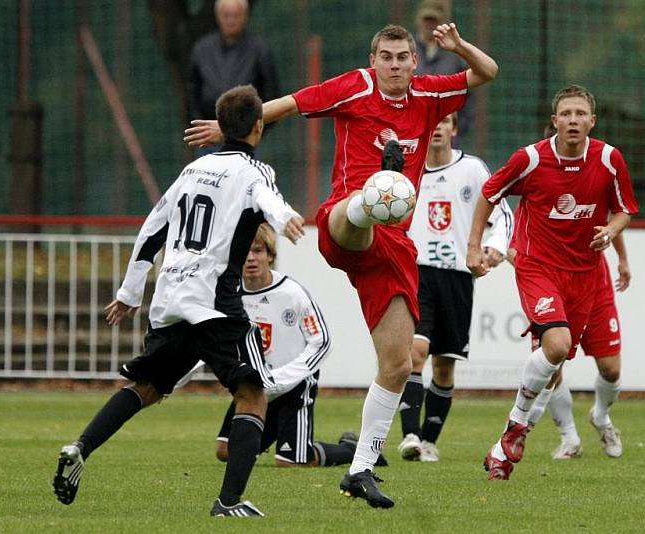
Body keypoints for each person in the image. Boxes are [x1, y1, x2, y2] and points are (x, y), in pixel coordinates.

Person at [184, 23, 497, 508]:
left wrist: (456, 48)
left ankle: (361, 469)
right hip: (343, 224)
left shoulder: (430, 94)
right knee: (366, 206)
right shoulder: (355, 86)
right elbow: (288, 105)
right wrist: (232, 129)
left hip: (393, 249)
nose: (394, 65)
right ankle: (375, 196)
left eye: (403, 57)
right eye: (386, 57)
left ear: (416, 62)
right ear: (374, 61)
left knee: (396, 364)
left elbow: (487, 72)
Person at [52, 85, 305, 518]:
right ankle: (229, 502)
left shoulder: (192, 171)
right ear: (259, 126)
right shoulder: (254, 171)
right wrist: (285, 219)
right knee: (253, 394)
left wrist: (129, 293)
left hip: (170, 298)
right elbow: (268, 200)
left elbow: (152, 229)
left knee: (146, 387)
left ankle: (81, 446)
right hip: (215, 304)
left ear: (220, 127)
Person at [467, 84, 638, 480]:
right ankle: (526, 429)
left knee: (608, 368)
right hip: (538, 266)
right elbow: (489, 194)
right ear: (555, 120)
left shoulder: (610, 159)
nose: (573, 120)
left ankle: (583, 418)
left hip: (588, 275)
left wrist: (612, 234)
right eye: (567, 114)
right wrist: (474, 245)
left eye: (581, 114)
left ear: (592, 121)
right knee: (556, 347)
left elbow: (623, 209)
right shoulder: (530, 159)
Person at [179, 223, 385, 468]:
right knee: (226, 452)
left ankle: (349, 450)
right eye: (244, 251)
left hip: (296, 384)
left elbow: (322, 341)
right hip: (256, 385)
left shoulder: (292, 294)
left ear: (270, 255)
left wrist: (287, 377)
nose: (251, 258)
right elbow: (209, 342)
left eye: (258, 251)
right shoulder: (228, 296)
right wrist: (174, 379)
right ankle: (277, 432)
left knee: (292, 462)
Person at [398, 112, 512, 462]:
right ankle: (411, 436)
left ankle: (429, 442)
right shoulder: (407, 171)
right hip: (417, 273)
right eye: (431, 121)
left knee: (444, 365)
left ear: (454, 129)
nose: (436, 127)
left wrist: (496, 246)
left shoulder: (473, 170)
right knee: (415, 353)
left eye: (444, 121)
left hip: (457, 276)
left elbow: (503, 214)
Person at [527, 233, 630, 461]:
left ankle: (601, 417)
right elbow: (514, 246)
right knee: (552, 366)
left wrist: (622, 257)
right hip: (552, 284)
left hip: (594, 284)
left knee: (611, 368)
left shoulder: (590, 197)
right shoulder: (531, 202)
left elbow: (614, 215)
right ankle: (570, 439)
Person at [186, 0, 280, 154]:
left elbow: (272, 92)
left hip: (247, 139)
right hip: (208, 138)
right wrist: (199, 126)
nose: (231, 20)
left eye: (236, 15)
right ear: (218, 16)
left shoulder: (259, 50)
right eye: (226, 15)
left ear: (245, 16)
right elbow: (191, 91)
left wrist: (254, 130)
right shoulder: (202, 49)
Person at [413, 1, 474, 144]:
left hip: (446, 137)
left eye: (434, 20)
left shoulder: (455, 54)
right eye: (426, 19)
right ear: (419, 20)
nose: (429, 24)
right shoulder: (406, 49)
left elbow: (468, 96)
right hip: (411, 132)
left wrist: (458, 129)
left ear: (442, 22)